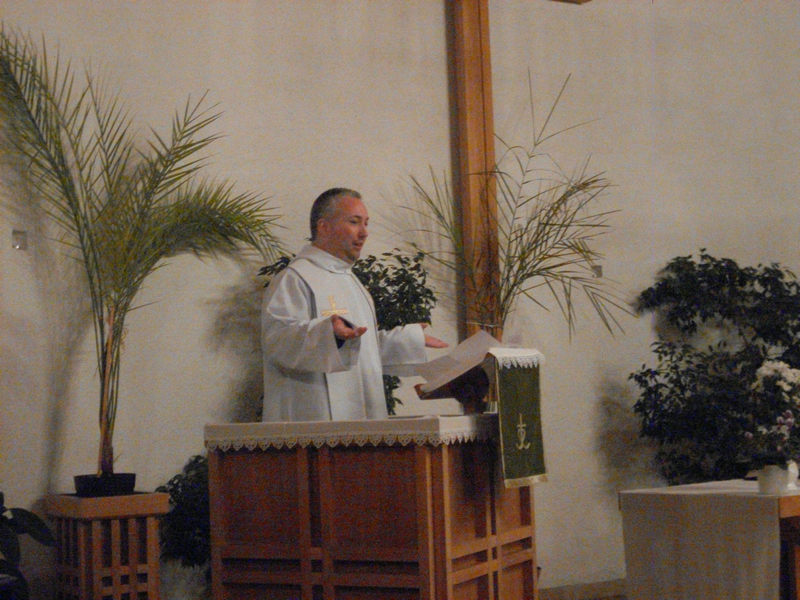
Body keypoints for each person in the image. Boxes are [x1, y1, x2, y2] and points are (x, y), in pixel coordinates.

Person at [261, 187, 447, 421]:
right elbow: (278, 340)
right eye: (354, 222)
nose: (364, 233)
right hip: (311, 418)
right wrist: (330, 335)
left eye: (366, 223)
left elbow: (360, 346)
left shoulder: (352, 281)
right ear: (324, 227)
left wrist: (406, 340)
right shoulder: (295, 278)